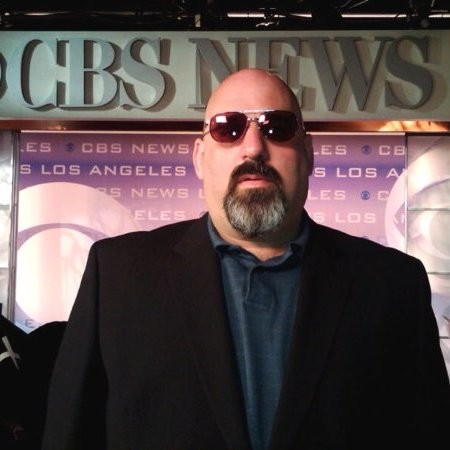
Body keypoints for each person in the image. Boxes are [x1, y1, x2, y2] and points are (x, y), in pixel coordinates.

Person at [42, 69, 449, 450]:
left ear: (308, 153)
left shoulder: (392, 284)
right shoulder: (117, 275)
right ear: (200, 157)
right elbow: (71, 433)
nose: (254, 147)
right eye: (228, 128)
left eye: (277, 127)